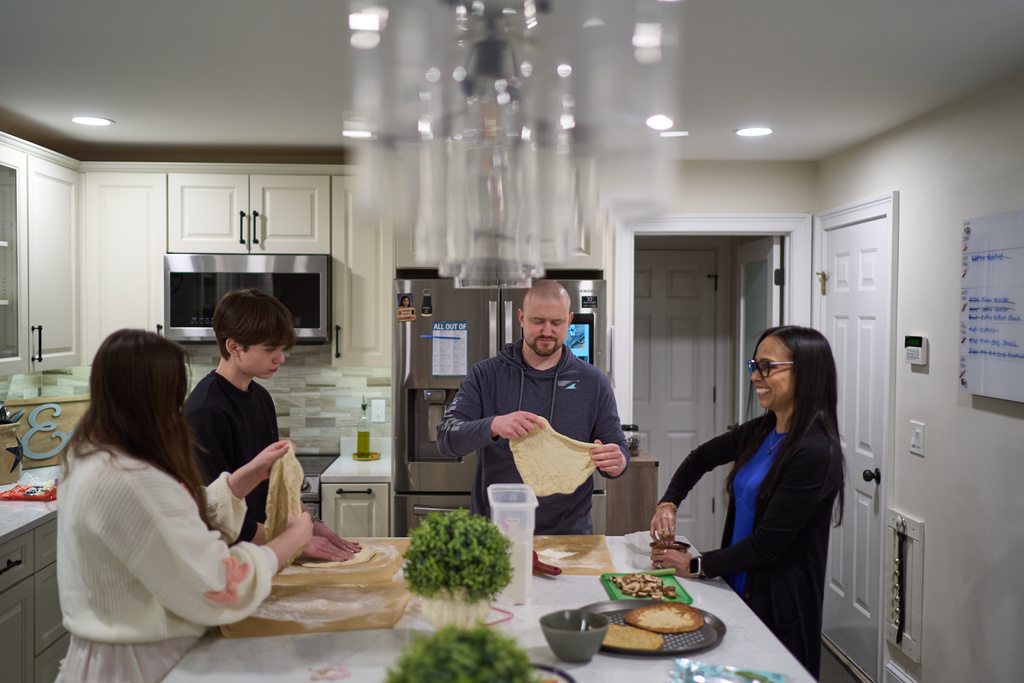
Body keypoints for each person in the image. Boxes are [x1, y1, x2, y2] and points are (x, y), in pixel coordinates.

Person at [56, 329, 313, 683]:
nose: (181, 406)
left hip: (111, 656)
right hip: (138, 666)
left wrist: (239, 481)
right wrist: (289, 542)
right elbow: (218, 584)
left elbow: (167, 521)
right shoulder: (130, 480)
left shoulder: (93, 456)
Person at [648, 325, 845, 678]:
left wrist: (695, 565)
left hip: (780, 605)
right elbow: (698, 459)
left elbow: (769, 545)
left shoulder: (816, 451)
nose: (755, 376)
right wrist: (669, 503)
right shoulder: (761, 430)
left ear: (806, 371)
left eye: (768, 367)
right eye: (755, 365)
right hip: (737, 587)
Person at [437, 279, 629, 534]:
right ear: (521, 317)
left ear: (569, 320)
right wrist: (494, 425)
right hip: (494, 534)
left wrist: (619, 462)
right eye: (538, 321)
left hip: (569, 536)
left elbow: (616, 448)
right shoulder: (486, 374)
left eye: (557, 322)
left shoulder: (594, 383)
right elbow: (446, 438)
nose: (547, 331)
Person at [185, 288, 360, 561]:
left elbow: (278, 479)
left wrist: (309, 522)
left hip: (266, 553)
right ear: (233, 347)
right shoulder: (206, 410)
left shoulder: (261, 397)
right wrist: (294, 541)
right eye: (270, 349)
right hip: (230, 562)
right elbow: (215, 513)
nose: (280, 358)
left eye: (280, 348)